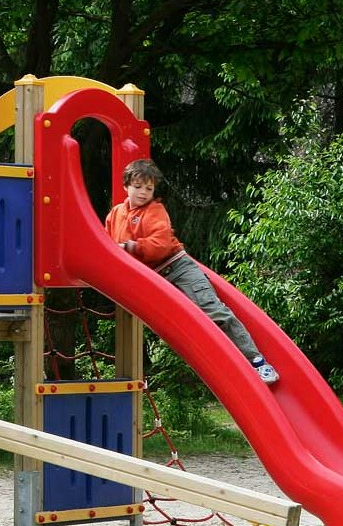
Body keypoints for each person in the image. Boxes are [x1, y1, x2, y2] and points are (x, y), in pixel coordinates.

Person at [106, 158, 279, 385]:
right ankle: (232, 370)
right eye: (138, 187)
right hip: (153, 279)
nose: (143, 193)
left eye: (149, 188)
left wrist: (131, 246)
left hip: (178, 268)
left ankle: (257, 362)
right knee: (181, 327)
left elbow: (160, 245)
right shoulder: (116, 214)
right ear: (126, 186)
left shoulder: (155, 210)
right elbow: (108, 243)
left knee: (214, 311)